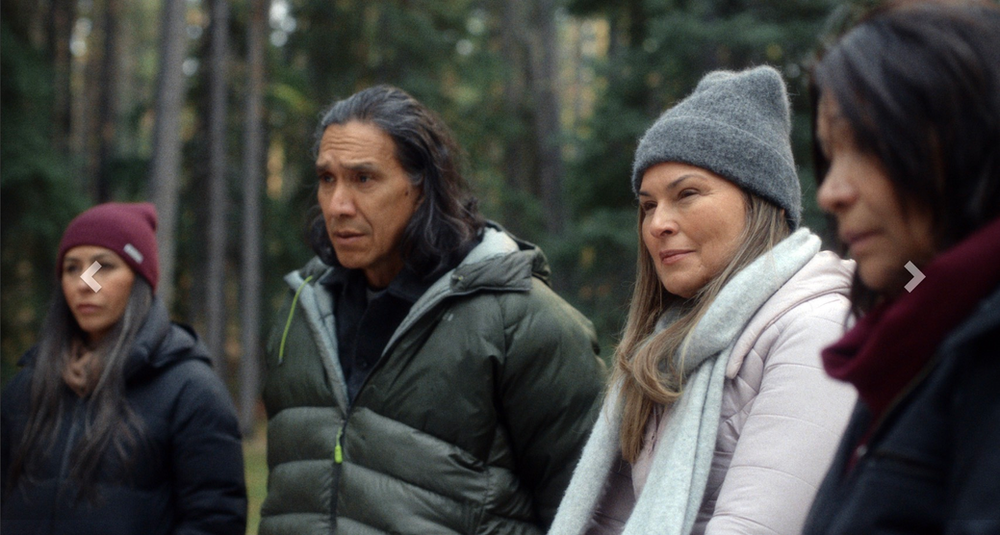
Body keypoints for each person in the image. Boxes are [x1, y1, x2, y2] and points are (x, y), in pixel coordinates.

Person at [258, 85, 605, 535]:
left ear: (423, 187)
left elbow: (592, 512)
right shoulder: (302, 313)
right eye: (327, 179)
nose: (338, 205)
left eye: (363, 179)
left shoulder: (522, 321)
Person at [548, 66, 857, 535]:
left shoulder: (818, 329)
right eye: (648, 205)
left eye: (687, 194)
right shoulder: (664, 349)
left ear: (761, 200)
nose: (657, 224)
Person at [803, 1, 1000, 533]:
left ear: (964, 136)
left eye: (866, 144)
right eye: (830, 154)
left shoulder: (980, 350)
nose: (830, 193)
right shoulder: (914, 329)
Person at [0, 202, 247, 535]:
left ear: (139, 280)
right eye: (72, 268)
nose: (84, 283)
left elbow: (214, 521)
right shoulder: (25, 389)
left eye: (102, 266)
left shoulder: (191, 391)